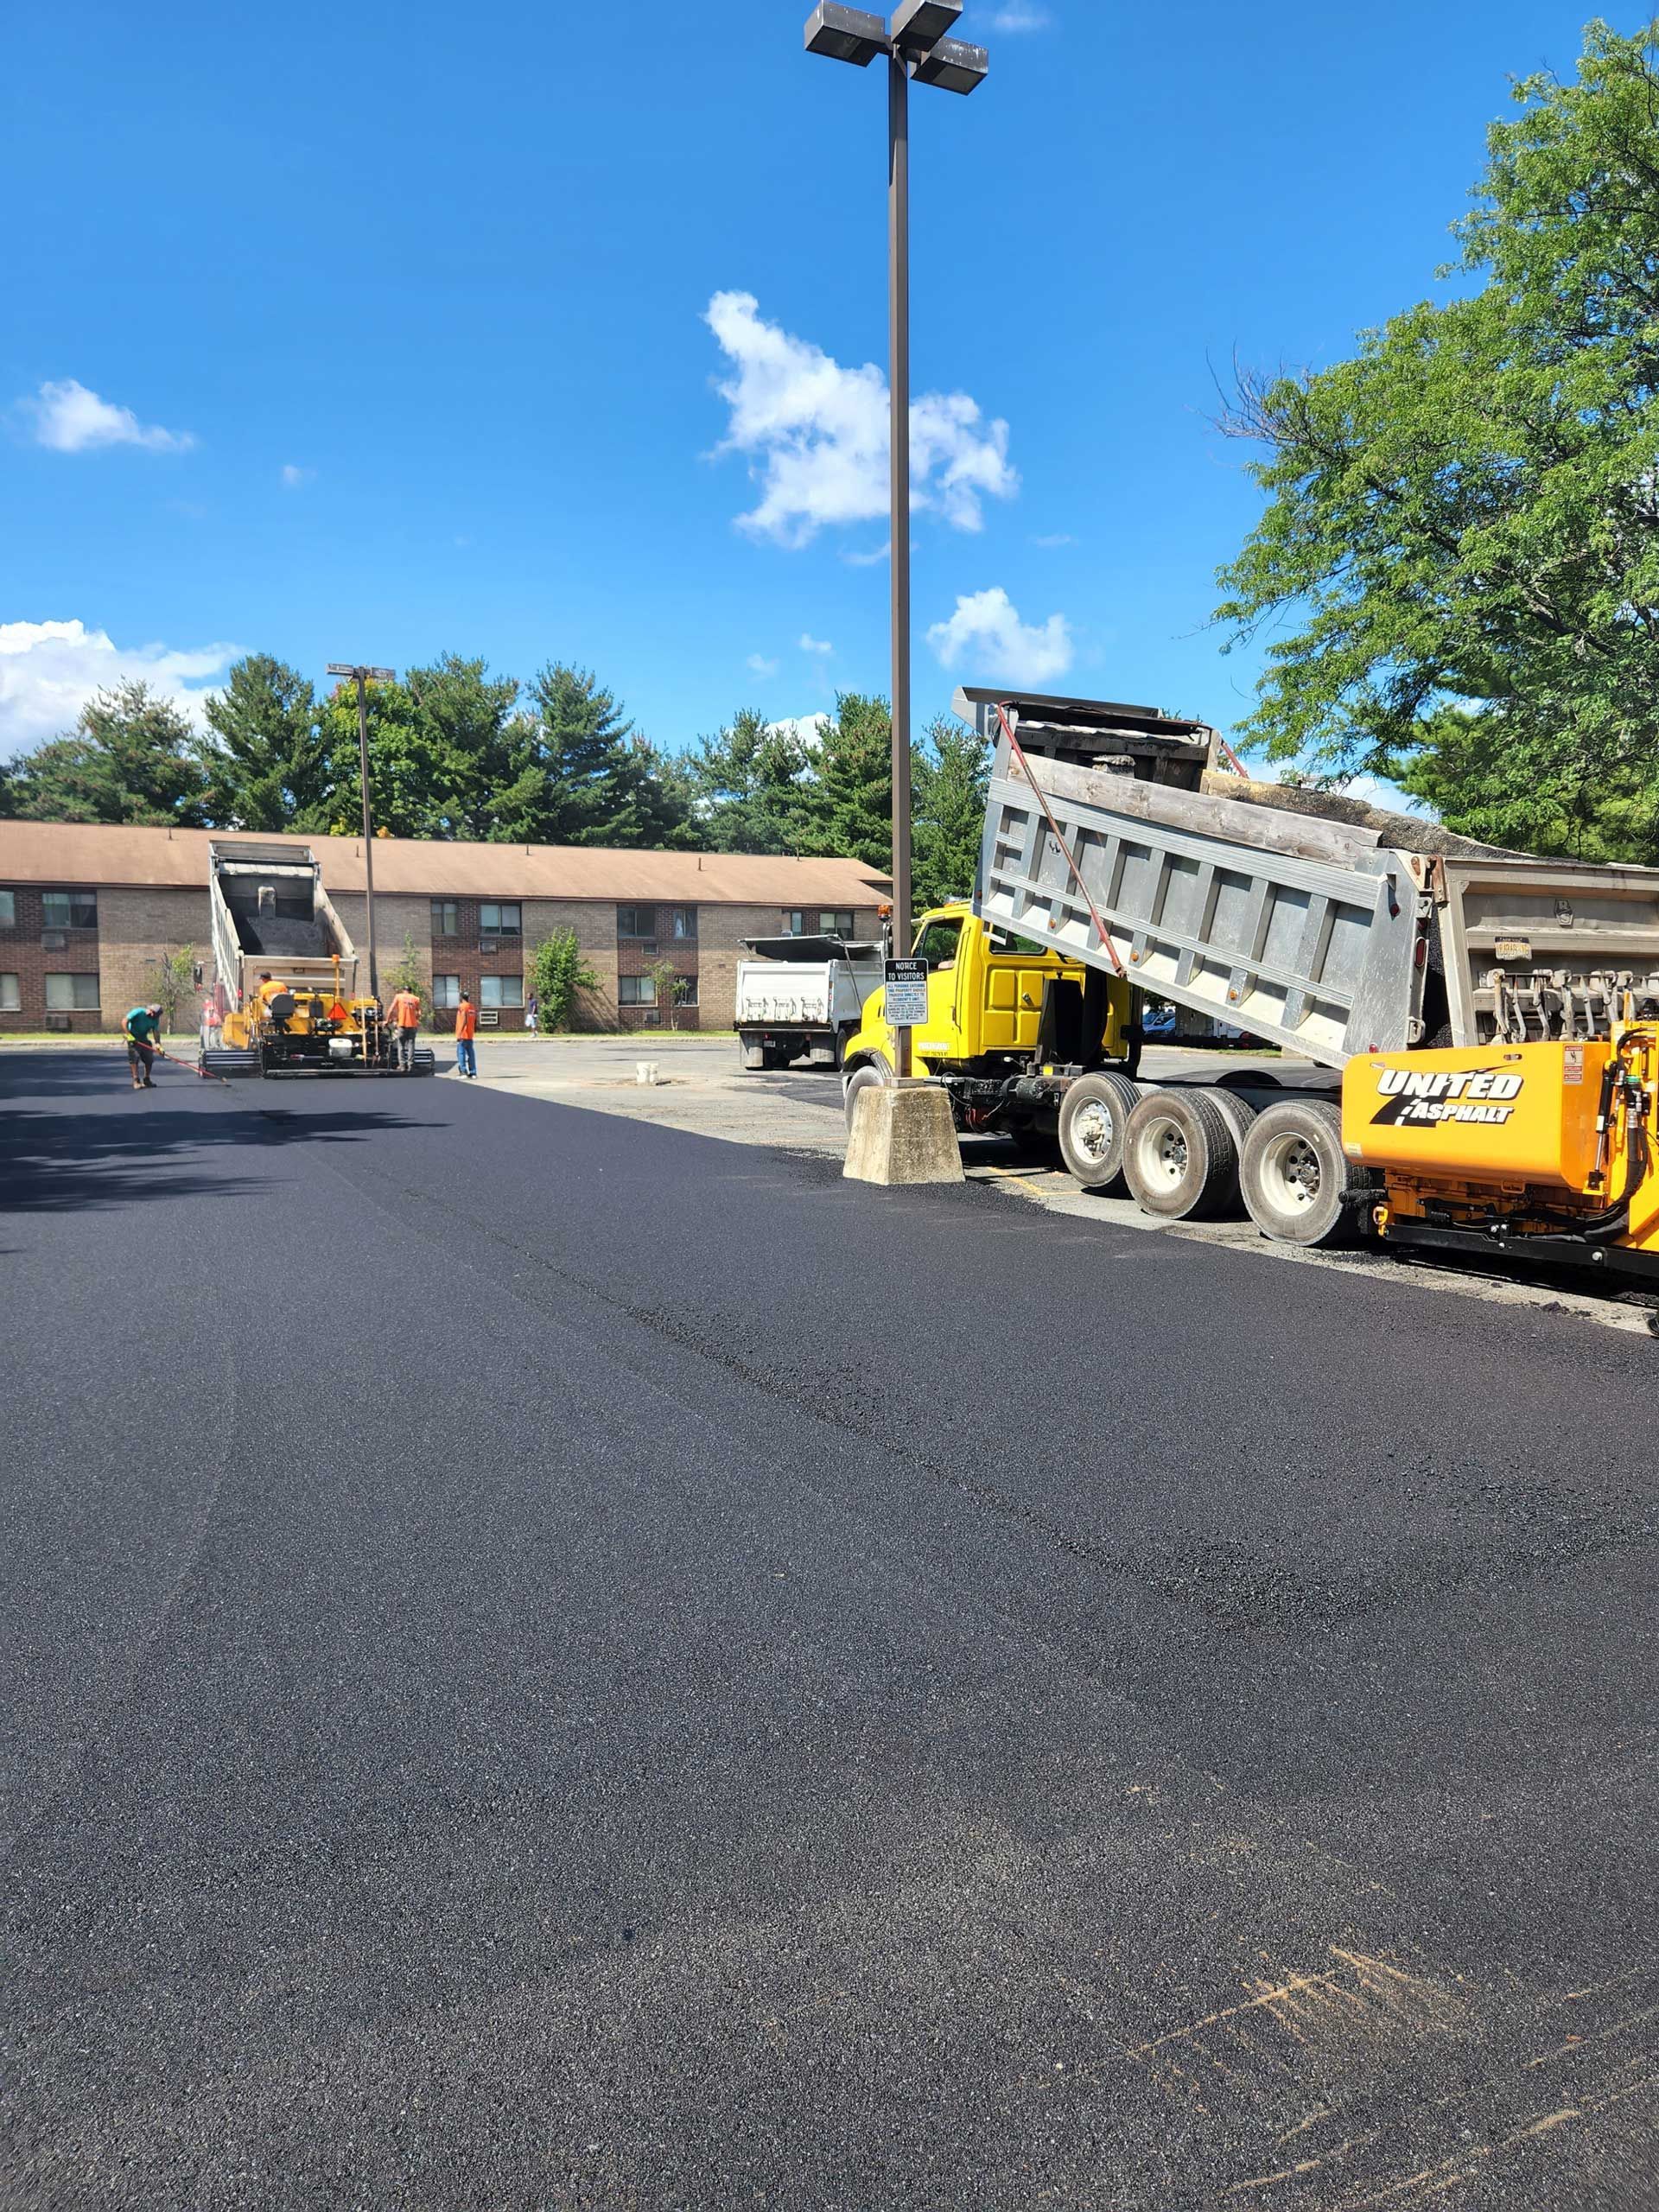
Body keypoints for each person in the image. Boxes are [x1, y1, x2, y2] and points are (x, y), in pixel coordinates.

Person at [385, 981, 423, 1071]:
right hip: (412, 1025)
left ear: (403, 991)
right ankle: (411, 1065)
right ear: (411, 991)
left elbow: (391, 1009)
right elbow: (419, 1012)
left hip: (402, 1024)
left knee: (401, 1045)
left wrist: (387, 1020)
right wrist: (415, 1018)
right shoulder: (416, 999)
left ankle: (402, 1066)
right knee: (411, 1045)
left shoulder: (399, 997)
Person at [124, 1002, 162, 1090]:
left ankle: (147, 1080)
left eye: (157, 1016)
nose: (156, 1017)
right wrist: (129, 1035)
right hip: (133, 1038)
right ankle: (136, 1080)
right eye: (155, 1015)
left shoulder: (155, 1019)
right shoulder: (138, 1012)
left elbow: (156, 1032)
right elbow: (124, 1021)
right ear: (151, 1011)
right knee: (135, 1057)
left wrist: (158, 1044)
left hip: (143, 1039)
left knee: (149, 1059)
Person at [454, 990, 479, 1078]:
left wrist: (459, 1033)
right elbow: (475, 1020)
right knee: (471, 1054)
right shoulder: (472, 1007)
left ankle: (463, 1072)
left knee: (461, 1053)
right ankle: (473, 1072)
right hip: (470, 1034)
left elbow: (464, 1019)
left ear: (461, 998)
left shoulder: (462, 1006)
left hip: (463, 1034)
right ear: (468, 997)